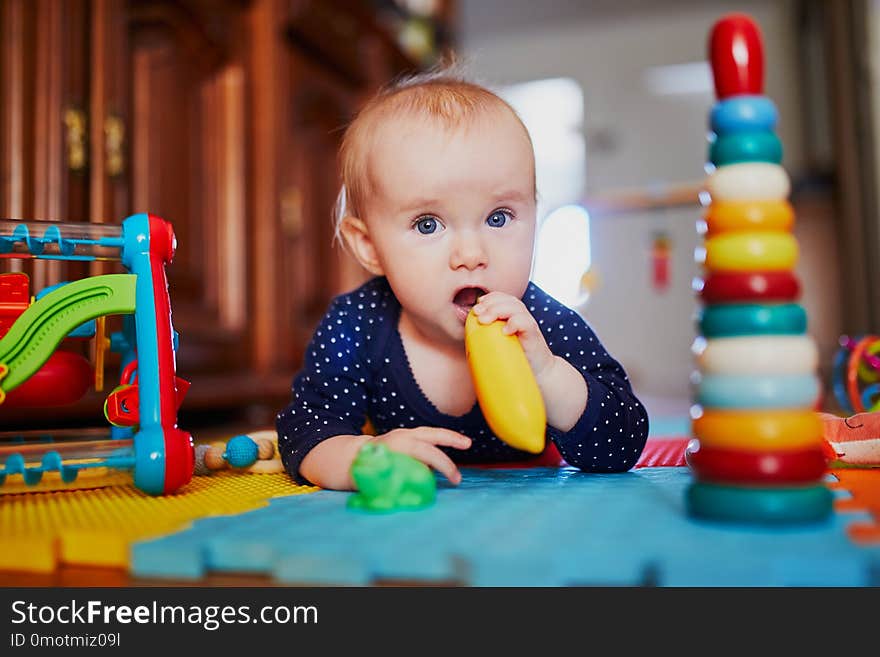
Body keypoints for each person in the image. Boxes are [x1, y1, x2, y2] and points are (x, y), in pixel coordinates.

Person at [276, 66, 649, 490]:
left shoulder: (541, 324)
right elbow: (306, 430)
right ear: (370, 247)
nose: (471, 255)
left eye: (498, 217)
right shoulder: (357, 322)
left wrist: (547, 373)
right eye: (428, 224)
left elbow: (625, 441)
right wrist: (361, 458)